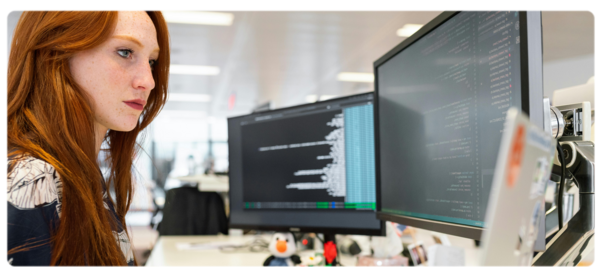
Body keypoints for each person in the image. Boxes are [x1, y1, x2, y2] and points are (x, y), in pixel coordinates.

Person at [5, 8, 170, 269]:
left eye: (151, 61)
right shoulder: (33, 179)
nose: (148, 81)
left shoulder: (79, 174)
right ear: (56, 51)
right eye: (125, 52)